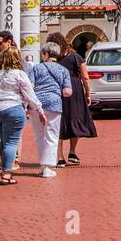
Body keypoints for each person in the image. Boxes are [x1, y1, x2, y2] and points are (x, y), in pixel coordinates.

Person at [0, 45, 43, 185]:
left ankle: (5, 169)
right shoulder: (19, 74)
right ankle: (6, 174)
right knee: (10, 142)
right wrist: (39, 110)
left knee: (5, 140)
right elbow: (30, 95)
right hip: (13, 109)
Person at [27, 41, 72, 178]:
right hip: (54, 104)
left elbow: (30, 86)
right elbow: (68, 92)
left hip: (37, 104)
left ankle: (42, 165)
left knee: (39, 135)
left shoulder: (36, 68)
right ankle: (48, 167)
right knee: (51, 135)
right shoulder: (63, 70)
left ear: (46, 54)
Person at [54, 33, 97, 165]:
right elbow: (85, 77)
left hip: (58, 89)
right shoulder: (76, 57)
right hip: (74, 89)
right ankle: (72, 153)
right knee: (75, 118)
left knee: (58, 123)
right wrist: (88, 93)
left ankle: (60, 158)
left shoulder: (53, 59)